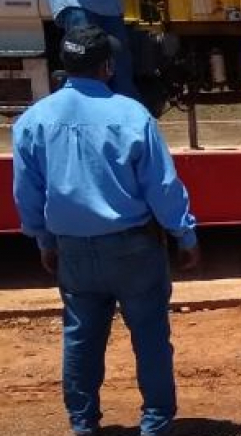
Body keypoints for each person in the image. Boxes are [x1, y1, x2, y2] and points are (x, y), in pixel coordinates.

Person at [12, 25, 200, 436]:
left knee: (81, 337)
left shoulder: (32, 122)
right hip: (133, 248)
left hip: (73, 250)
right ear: (108, 66)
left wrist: (44, 239)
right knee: (150, 335)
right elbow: (162, 187)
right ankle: (154, 422)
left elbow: (27, 192)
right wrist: (184, 235)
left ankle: (83, 423)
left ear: (65, 64)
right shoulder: (132, 115)